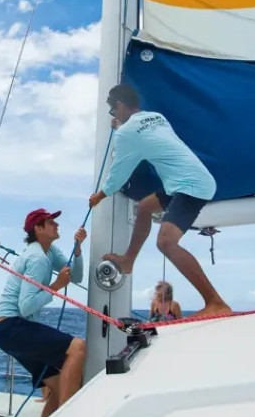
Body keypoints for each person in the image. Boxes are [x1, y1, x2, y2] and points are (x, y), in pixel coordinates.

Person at [88, 84, 232, 320]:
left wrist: (101, 195)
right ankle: (128, 261)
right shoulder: (156, 117)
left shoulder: (126, 133)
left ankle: (215, 302)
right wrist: (121, 127)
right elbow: (144, 135)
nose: (114, 116)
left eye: (113, 112)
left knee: (166, 242)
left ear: (120, 106)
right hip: (185, 181)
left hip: (190, 186)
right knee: (144, 207)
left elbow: (119, 173)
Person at [0, 208, 87, 417]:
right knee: (78, 348)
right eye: (50, 222)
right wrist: (56, 286)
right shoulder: (37, 258)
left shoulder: (49, 252)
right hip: (13, 326)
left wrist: (78, 248)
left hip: (8, 332)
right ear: (38, 229)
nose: (56, 225)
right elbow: (26, 307)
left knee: (56, 386)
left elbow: (78, 276)